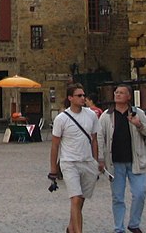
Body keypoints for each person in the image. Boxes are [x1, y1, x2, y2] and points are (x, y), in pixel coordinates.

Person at [98, 85, 146, 233]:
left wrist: (139, 124)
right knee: (117, 197)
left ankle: (134, 223)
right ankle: (119, 228)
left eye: (122, 93)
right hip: (115, 163)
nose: (118, 95)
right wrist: (100, 158)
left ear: (129, 96)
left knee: (140, 193)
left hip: (135, 161)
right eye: (116, 92)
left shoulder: (137, 113)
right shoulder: (106, 115)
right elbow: (100, 137)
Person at [49, 83, 101, 233]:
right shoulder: (61, 119)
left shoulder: (91, 115)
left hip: (87, 162)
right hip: (69, 162)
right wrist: (53, 168)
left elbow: (94, 139)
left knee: (80, 201)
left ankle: (71, 228)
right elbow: (55, 145)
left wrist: (96, 161)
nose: (83, 98)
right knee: (76, 198)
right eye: (79, 95)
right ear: (70, 98)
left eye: (84, 95)